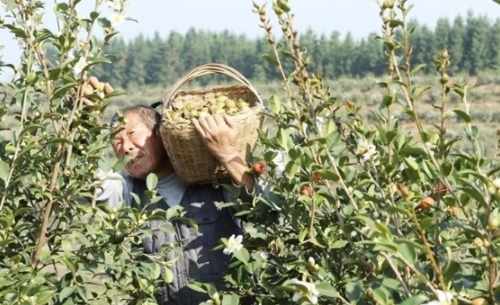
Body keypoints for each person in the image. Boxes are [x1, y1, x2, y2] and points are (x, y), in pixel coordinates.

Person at [83, 77, 268, 305]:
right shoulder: (127, 189)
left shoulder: (215, 181)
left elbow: (263, 209)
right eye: (117, 142)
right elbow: (84, 185)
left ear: (161, 133)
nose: (126, 147)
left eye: (131, 134)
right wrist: (83, 123)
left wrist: (228, 153)